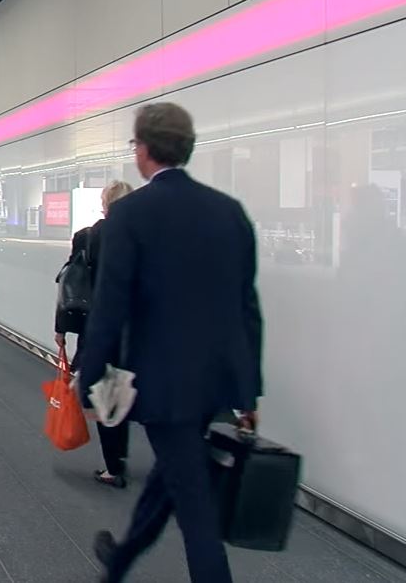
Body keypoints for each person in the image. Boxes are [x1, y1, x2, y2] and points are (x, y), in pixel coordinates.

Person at [79, 102, 263, 583]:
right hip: (216, 382)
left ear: (143, 151)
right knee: (173, 475)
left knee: (195, 509)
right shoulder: (229, 213)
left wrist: (92, 382)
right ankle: (118, 559)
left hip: (164, 386)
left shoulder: (131, 215)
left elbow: (108, 309)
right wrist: (248, 391)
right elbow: (247, 309)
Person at [54, 181, 134, 488]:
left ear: (105, 204)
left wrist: (61, 328)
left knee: (107, 392)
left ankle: (115, 466)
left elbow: (70, 283)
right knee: (130, 389)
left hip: (99, 327)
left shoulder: (87, 237)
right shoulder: (144, 239)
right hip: (137, 330)